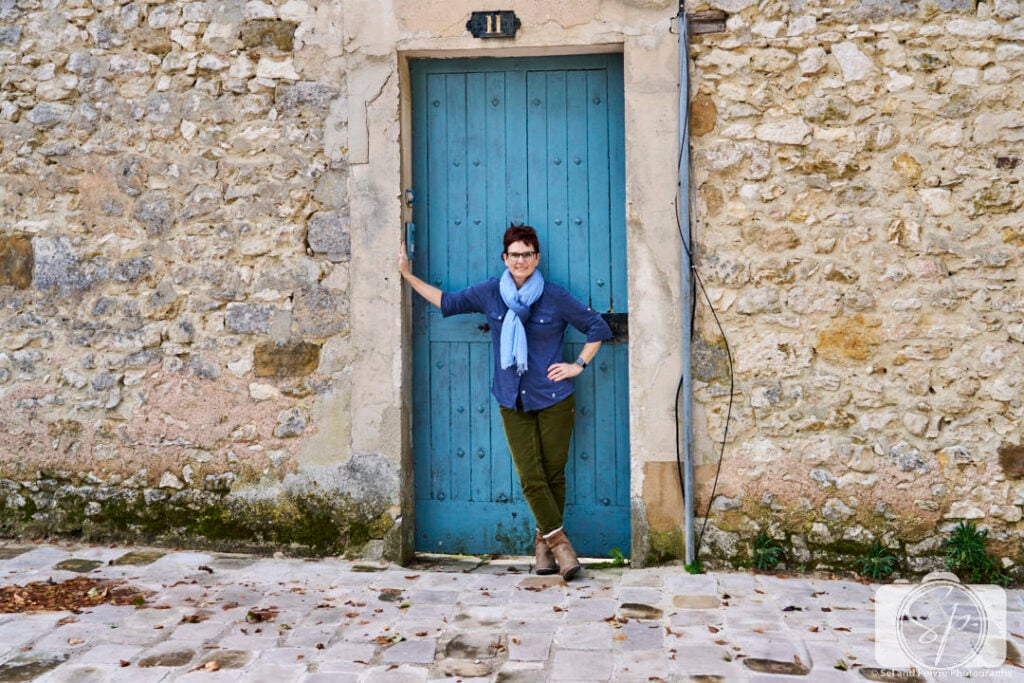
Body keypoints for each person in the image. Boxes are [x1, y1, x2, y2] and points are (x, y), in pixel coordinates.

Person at [398, 225, 612, 580]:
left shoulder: (555, 297)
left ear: (537, 258)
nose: (521, 260)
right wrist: (407, 275)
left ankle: (543, 548)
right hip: (510, 397)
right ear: (505, 258)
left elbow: (597, 328)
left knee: (553, 474)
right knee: (531, 475)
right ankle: (561, 545)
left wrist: (578, 365)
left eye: (527, 254)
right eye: (514, 254)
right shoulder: (490, 294)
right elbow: (447, 302)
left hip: (554, 397)